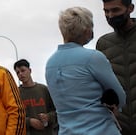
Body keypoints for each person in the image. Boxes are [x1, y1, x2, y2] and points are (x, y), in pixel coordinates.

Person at [46, 7, 126, 135]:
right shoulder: (93, 57)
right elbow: (120, 97)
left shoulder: (50, 63)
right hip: (101, 130)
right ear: (85, 30)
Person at [96, 0, 136, 135]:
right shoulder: (103, 44)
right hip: (118, 128)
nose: (111, 16)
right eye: (106, 11)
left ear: (130, 8)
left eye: (116, 10)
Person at [14, 59, 57, 135]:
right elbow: (13, 117)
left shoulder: (44, 89)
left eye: (23, 70)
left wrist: (48, 117)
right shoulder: (16, 93)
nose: (20, 74)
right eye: (18, 72)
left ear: (30, 70)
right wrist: (29, 121)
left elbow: (56, 111)